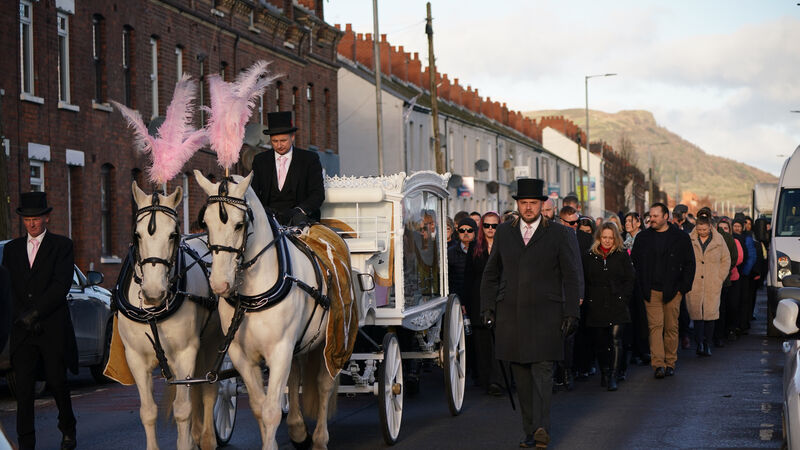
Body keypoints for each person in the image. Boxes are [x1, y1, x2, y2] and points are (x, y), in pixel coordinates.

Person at [481, 178, 582, 448]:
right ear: (517, 204)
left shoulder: (559, 233)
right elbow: (491, 273)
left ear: (542, 204)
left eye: (533, 203)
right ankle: (529, 431)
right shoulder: (504, 232)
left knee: (543, 374)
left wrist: (572, 312)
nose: (528, 207)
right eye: (524, 203)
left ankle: (541, 429)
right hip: (511, 317)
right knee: (522, 379)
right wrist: (488, 307)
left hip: (547, 316)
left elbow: (571, 276)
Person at [2, 192, 78, 450]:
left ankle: (68, 429)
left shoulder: (62, 246)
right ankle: (26, 443)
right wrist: (21, 317)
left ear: (47, 218)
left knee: (57, 382)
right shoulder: (11, 249)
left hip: (51, 328)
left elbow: (60, 286)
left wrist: (35, 313)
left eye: (36, 218)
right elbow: (10, 287)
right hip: (22, 331)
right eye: (27, 219)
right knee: (23, 390)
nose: (32, 223)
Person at [631, 202, 695, 379]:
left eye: (655, 216)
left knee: (671, 327)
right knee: (655, 327)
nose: (651, 219)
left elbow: (690, 264)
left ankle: (670, 362)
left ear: (666, 216)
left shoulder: (680, 237)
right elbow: (635, 263)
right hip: (651, 290)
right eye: (650, 216)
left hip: (673, 290)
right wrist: (641, 285)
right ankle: (658, 364)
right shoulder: (643, 238)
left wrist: (683, 288)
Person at [582, 223, 635, 391]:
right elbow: (585, 279)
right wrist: (588, 299)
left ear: (615, 239)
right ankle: (604, 372)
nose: (607, 241)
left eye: (610, 238)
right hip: (596, 304)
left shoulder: (621, 255)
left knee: (615, 339)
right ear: (599, 237)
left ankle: (613, 374)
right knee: (600, 341)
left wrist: (623, 298)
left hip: (616, 303)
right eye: (604, 237)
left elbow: (630, 278)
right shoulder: (590, 256)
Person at [251, 111, 325, 226]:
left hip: (301, 220)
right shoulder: (260, 160)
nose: (279, 145)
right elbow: (253, 192)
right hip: (268, 221)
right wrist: (263, 211)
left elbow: (318, 194)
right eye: (275, 141)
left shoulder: (309, 159)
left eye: (283, 140)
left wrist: (300, 210)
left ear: (293, 137)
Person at [464, 212, 504, 395]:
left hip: (500, 297)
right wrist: (465, 302)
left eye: (494, 226)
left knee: (500, 340)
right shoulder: (475, 247)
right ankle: (485, 379)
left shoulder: (505, 246)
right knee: (481, 342)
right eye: (487, 225)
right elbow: (468, 275)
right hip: (478, 297)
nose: (490, 229)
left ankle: (498, 381)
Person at [686, 216, 730, 357]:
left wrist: (719, 277)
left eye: (704, 229)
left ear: (710, 227)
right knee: (697, 315)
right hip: (695, 283)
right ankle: (699, 343)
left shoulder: (719, 240)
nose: (702, 232)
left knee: (710, 315)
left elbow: (726, 260)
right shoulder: (690, 239)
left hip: (712, 282)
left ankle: (707, 344)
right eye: (699, 229)